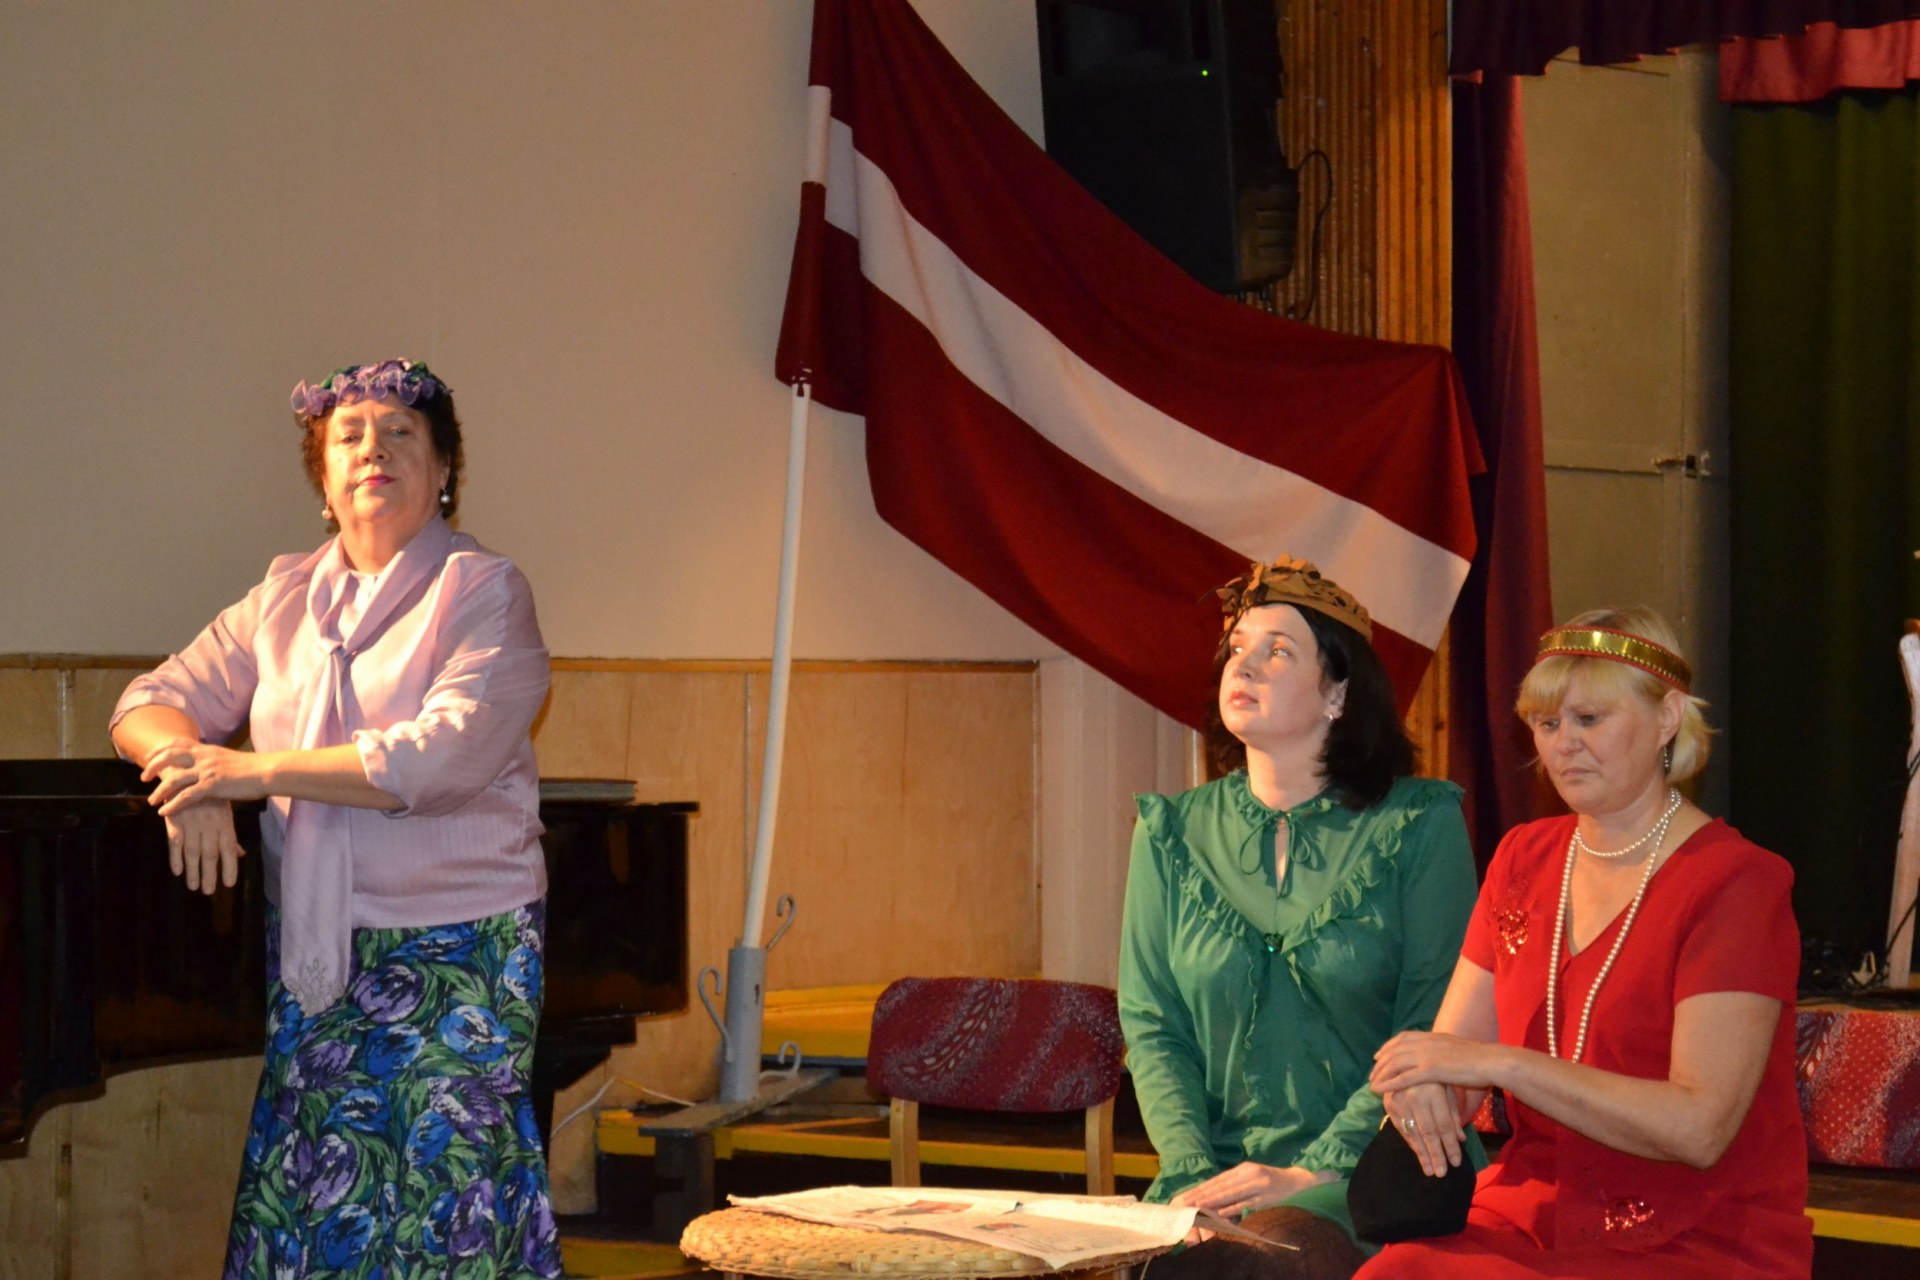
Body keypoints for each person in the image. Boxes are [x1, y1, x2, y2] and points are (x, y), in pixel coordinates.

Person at [110, 359, 561, 1279]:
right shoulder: (281, 598)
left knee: (436, 1208)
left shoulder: (483, 591)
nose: (372, 451)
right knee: (317, 1197)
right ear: (324, 479)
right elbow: (147, 703)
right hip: (318, 951)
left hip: (458, 950)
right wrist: (193, 777)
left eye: (401, 434)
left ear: (443, 471)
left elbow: (437, 758)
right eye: (349, 436)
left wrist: (250, 770)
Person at [1363, 608, 1811, 1278]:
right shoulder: (1522, 858)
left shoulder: (1737, 882)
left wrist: (1502, 1065)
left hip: (1696, 1233)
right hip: (1532, 1209)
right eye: (1547, 724)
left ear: (1667, 718)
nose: (1563, 744)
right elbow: (1456, 1068)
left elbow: (1700, 1129)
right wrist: (1423, 1092)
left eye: (1589, 719)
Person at [1119, 556, 1478, 1280]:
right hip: (1218, 1176)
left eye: (1277, 651)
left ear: (1338, 692)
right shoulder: (1169, 831)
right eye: (1236, 648)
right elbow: (1154, 1026)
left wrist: (1313, 1171)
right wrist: (1191, 1173)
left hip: (1375, 1169)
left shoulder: (1420, 823)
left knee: (1267, 1260)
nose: (1244, 665)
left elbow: (1432, 1023)